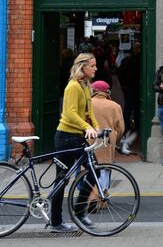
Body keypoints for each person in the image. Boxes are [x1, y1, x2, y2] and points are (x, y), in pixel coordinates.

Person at [50, 53, 99, 233]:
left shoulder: (86, 86)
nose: (95, 68)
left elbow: (89, 109)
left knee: (95, 171)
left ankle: (79, 212)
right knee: (62, 180)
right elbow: (70, 113)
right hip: (65, 138)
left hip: (77, 138)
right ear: (82, 68)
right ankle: (56, 222)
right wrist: (87, 127)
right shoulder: (73, 87)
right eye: (92, 66)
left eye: (95, 65)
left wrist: (97, 127)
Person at [90, 80, 124, 164]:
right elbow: (120, 129)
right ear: (108, 92)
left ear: (93, 91)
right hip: (107, 140)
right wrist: (114, 137)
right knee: (105, 166)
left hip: (89, 139)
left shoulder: (86, 104)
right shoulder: (115, 106)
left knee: (88, 167)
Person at [117, 42, 141, 154]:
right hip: (135, 87)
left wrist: (123, 85)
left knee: (129, 107)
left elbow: (119, 72)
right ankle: (136, 126)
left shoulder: (127, 60)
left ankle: (127, 126)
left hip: (129, 87)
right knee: (135, 107)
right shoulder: (138, 60)